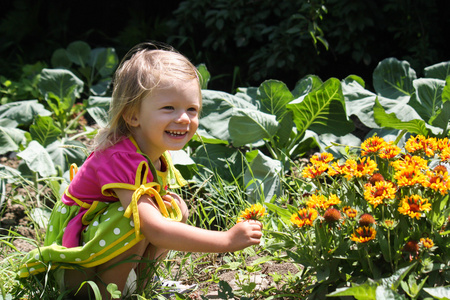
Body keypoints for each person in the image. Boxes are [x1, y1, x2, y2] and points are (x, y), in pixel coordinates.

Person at [19, 42, 263, 298]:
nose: (183, 118)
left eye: (191, 109)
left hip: (94, 252)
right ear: (133, 116)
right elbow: (154, 230)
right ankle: (109, 294)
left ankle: (140, 286)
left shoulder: (150, 151)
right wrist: (225, 241)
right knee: (135, 219)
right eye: (169, 108)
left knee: (173, 207)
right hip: (73, 264)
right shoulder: (121, 158)